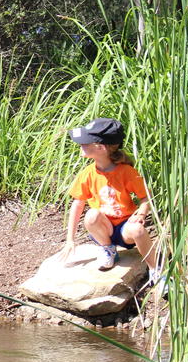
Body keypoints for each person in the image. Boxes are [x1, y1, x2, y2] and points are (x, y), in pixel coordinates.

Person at [61, 118, 160, 284]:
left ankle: (156, 270)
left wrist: (142, 212)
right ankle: (108, 249)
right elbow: (77, 204)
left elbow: (146, 197)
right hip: (103, 229)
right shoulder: (88, 173)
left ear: (100, 147)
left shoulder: (126, 172)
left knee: (138, 229)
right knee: (91, 214)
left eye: (84, 143)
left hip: (124, 229)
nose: (80, 145)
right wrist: (70, 240)